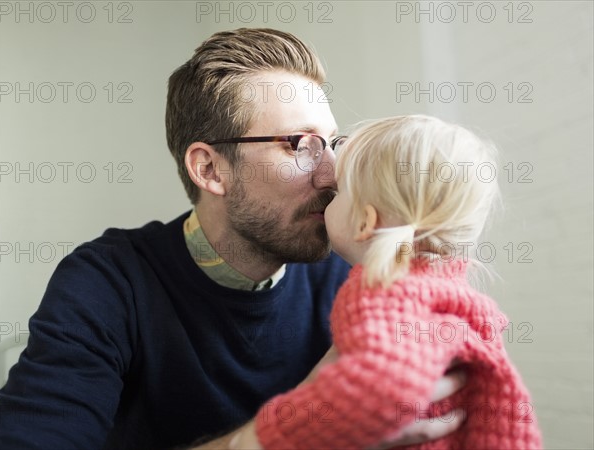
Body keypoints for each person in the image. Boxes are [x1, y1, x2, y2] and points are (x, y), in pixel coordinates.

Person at [0, 30, 465, 450]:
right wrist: (274, 437)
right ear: (210, 169)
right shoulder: (108, 283)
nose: (332, 175)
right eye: (299, 144)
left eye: (332, 144)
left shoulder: (356, 278)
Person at [230, 115, 543, 450]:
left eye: (339, 193)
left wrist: (260, 440)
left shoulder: (385, 290)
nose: (326, 195)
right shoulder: (452, 295)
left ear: (366, 222)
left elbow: (383, 385)